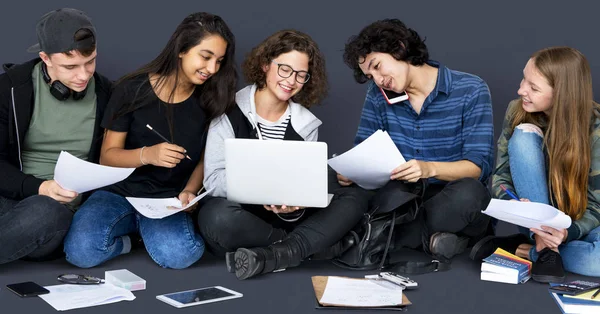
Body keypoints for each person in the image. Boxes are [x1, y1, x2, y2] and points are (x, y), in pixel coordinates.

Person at [64, 12, 237, 269]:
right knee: (81, 252)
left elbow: (205, 159)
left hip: (166, 200)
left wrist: (190, 190)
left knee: (181, 255)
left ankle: (146, 232)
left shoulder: (211, 100)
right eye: (205, 56)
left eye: (219, 61)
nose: (211, 69)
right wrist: (148, 155)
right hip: (118, 193)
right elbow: (107, 156)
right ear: (181, 49)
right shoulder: (132, 89)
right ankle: (130, 242)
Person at [197, 30, 371, 280]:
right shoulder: (227, 111)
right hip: (243, 218)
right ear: (266, 64)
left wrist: (295, 206)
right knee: (216, 217)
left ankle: (278, 253)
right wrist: (262, 188)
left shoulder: (306, 124)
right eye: (285, 69)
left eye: (301, 75)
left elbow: (302, 187)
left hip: (285, 219)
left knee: (354, 196)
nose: (292, 80)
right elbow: (212, 180)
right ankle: (308, 247)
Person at [341, 18, 494, 260]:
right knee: (339, 186)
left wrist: (428, 169)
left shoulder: (471, 89)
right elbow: (363, 149)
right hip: (401, 199)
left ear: (399, 48)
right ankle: (437, 241)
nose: (378, 79)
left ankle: (378, 238)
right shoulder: (378, 95)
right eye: (370, 76)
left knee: (470, 194)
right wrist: (351, 170)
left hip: (451, 198)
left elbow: (477, 168)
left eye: (377, 66)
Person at [471, 46, 600, 282]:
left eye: (534, 87)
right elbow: (501, 178)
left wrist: (566, 232)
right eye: (524, 79)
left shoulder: (596, 130)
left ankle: (528, 251)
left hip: (582, 223)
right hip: (535, 218)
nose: (521, 90)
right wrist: (517, 207)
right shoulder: (516, 111)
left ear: (561, 93)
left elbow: (597, 205)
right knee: (523, 134)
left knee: (597, 261)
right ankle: (542, 244)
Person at [0, 8, 111, 265]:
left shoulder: (108, 95)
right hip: (12, 195)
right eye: (70, 66)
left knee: (43, 211)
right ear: (45, 58)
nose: (83, 75)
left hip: (54, 213)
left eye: (90, 62)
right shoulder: (11, 89)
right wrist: (39, 186)